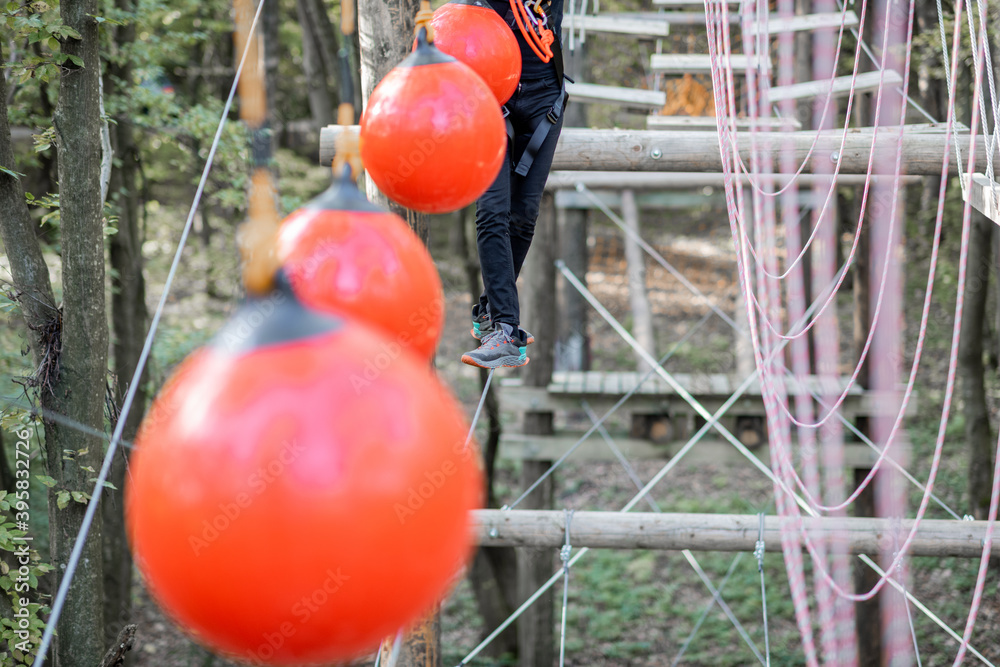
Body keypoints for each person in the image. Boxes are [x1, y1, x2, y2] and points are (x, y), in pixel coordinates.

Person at [460, 0, 566, 369]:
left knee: (524, 216)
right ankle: (505, 329)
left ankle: (491, 309)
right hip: (491, 92)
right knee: (493, 210)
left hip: (544, 95)